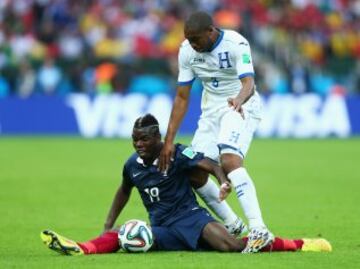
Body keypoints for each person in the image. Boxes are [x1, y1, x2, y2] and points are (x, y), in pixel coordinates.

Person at [40, 114, 332, 255]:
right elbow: (123, 191)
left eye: (144, 139)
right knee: (123, 236)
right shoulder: (132, 165)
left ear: (158, 139)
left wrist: (222, 181)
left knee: (230, 247)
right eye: (135, 139)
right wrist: (107, 224)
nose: (138, 144)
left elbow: (210, 163)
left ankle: (297, 244)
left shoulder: (178, 153)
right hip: (161, 225)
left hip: (191, 218)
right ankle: (80, 247)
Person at [159, 11, 272, 251]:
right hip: (211, 113)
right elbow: (181, 96)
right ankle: (233, 224)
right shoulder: (187, 51)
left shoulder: (236, 43)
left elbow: (248, 83)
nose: (193, 45)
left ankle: (259, 229)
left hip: (241, 105)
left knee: (230, 160)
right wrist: (169, 140)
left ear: (211, 31)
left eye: (196, 39)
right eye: (189, 40)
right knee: (194, 171)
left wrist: (239, 100)